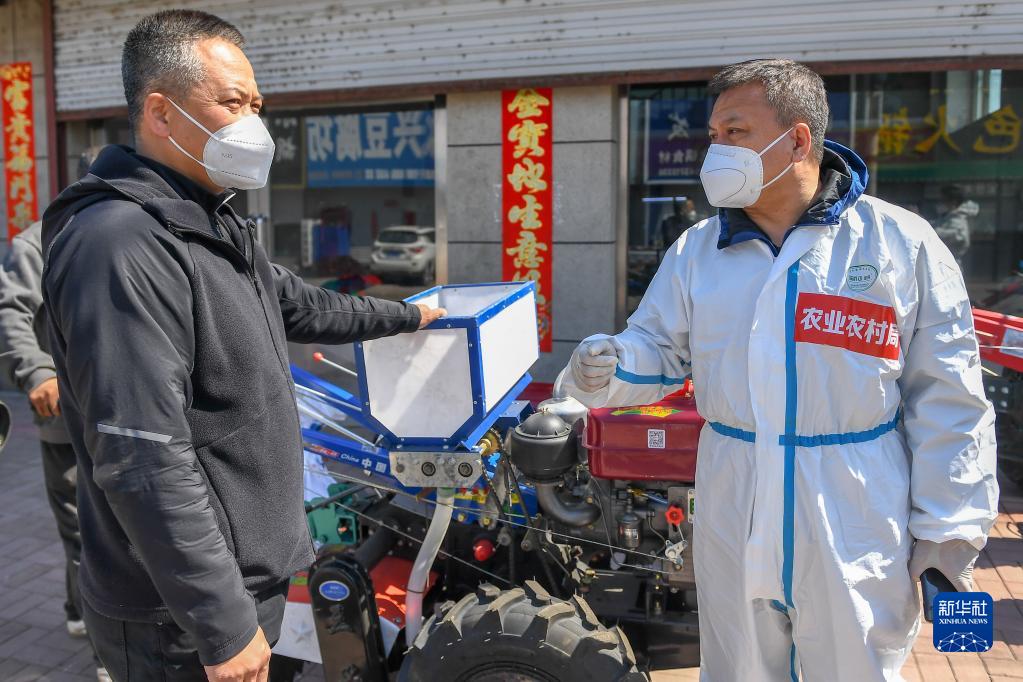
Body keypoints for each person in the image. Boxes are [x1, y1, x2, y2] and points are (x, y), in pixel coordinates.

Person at [560, 59, 997, 680]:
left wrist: (948, 531)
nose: (717, 151)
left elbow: (948, 397)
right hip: (735, 497)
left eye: (736, 132)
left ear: (796, 139)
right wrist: (611, 367)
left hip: (851, 509)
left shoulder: (899, 244)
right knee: (738, 667)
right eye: (714, 136)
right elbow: (657, 347)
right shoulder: (699, 251)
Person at [40, 10, 444, 682]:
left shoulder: (208, 219)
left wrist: (409, 316)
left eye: (256, 105)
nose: (252, 123)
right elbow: (142, 454)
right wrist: (222, 625)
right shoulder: (119, 243)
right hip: (178, 617)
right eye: (231, 103)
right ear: (161, 113)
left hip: (241, 581)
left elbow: (298, 304)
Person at [0, 146, 109, 682]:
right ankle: (106, 649)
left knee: (116, 529)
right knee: (86, 530)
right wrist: (38, 372)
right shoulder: (35, 244)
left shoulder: (128, 236)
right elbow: (10, 312)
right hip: (65, 417)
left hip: (124, 412)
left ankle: (78, 609)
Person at [934, 184, 978, 270]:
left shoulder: (959, 219)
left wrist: (931, 231)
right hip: (943, 263)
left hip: (951, 265)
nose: (941, 203)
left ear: (953, 202)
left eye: (943, 200)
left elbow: (956, 236)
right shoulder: (948, 216)